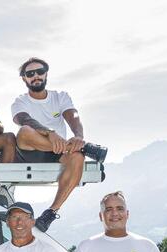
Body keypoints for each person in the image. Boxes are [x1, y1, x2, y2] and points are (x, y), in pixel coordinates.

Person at [11, 57, 108, 232]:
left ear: (46, 73)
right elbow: (23, 119)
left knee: (78, 157)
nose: (36, 76)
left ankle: (52, 211)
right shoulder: (20, 101)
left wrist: (78, 136)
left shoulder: (60, 97)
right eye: (30, 74)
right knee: (24, 131)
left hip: (59, 154)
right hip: (32, 151)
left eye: (40, 71)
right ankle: (83, 148)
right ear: (24, 78)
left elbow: (73, 116)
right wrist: (49, 133)